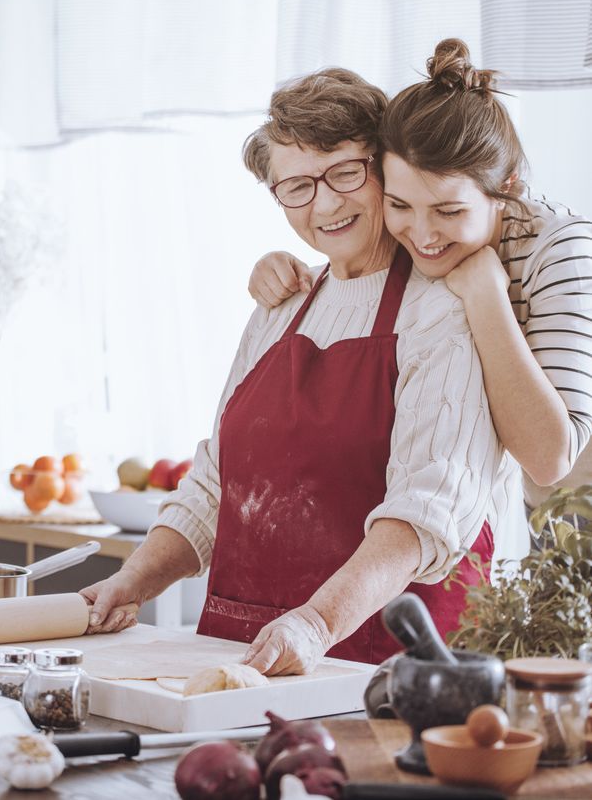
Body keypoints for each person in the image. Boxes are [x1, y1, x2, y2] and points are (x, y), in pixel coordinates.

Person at [80, 67, 503, 674]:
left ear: (386, 167)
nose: (325, 204)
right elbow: (216, 485)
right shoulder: (280, 305)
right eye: (298, 186)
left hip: (378, 666)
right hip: (242, 653)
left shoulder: (442, 311)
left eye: (346, 172)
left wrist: (315, 623)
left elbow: (426, 513)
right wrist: (133, 582)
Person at [248, 39, 592, 520]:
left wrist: (485, 293)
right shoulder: (427, 247)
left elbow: (549, 458)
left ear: (506, 188)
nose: (423, 235)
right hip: (539, 517)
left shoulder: (562, 249)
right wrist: (278, 266)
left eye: (448, 211)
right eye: (400, 205)